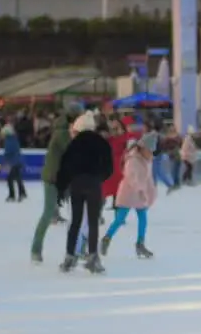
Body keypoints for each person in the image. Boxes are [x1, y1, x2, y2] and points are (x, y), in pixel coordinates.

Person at [55, 111, 114, 273]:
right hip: (94, 184)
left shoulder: (73, 144)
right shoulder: (101, 143)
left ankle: (69, 257)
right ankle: (93, 257)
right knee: (93, 222)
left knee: (75, 221)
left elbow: (63, 168)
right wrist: (99, 178)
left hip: (76, 185)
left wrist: (61, 189)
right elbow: (110, 167)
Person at [101, 131, 157, 260]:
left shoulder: (147, 160)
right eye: (149, 150)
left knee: (143, 219)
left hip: (140, 194)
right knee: (120, 219)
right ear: (142, 148)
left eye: (152, 151)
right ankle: (106, 239)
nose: (151, 153)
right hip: (128, 193)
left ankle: (140, 244)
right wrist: (142, 190)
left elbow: (148, 178)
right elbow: (133, 179)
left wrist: (151, 192)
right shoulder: (132, 160)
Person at [30, 115, 72, 263]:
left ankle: (79, 248)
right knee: (47, 213)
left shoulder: (65, 132)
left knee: (78, 212)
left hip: (62, 178)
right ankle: (36, 249)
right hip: (53, 179)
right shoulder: (63, 134)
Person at [2, 123, 26, 202]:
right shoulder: (13, 139)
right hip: (16, 162)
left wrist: (5, 161)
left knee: (10, 179)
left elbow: (8, 153)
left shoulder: (10, 141)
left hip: (13, 163)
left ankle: (13, 195)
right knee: (17, 178)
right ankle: (22, 193)